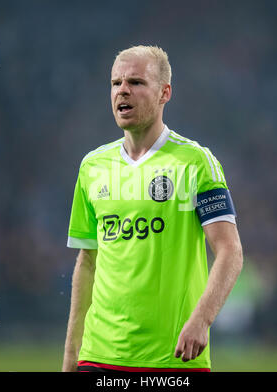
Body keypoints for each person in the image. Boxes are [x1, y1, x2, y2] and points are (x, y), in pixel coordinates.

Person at [62, 45, 243, 372]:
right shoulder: (92, 166)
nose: (122, 91)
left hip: (172, 358)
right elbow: (88, 260)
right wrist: (71, 354)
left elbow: (230, 251)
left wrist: (202, 319)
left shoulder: (195, 163)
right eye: (115, 83)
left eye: (135, 82)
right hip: (99, 356)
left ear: (164, 93)